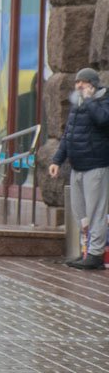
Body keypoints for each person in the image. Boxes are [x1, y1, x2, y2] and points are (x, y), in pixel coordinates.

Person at [49, 68, 109, 270]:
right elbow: (68, 135)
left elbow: (103, 120)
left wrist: (90, 100)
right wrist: (57, 160)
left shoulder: (103, 101)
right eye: (77, 83)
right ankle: (85, 251)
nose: (79, 86)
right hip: (77, 167)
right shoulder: (77, 105)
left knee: (96, 212)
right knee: (80, 212)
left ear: (93, 84)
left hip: (96, 166)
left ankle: (95, 254)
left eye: (83, 83)